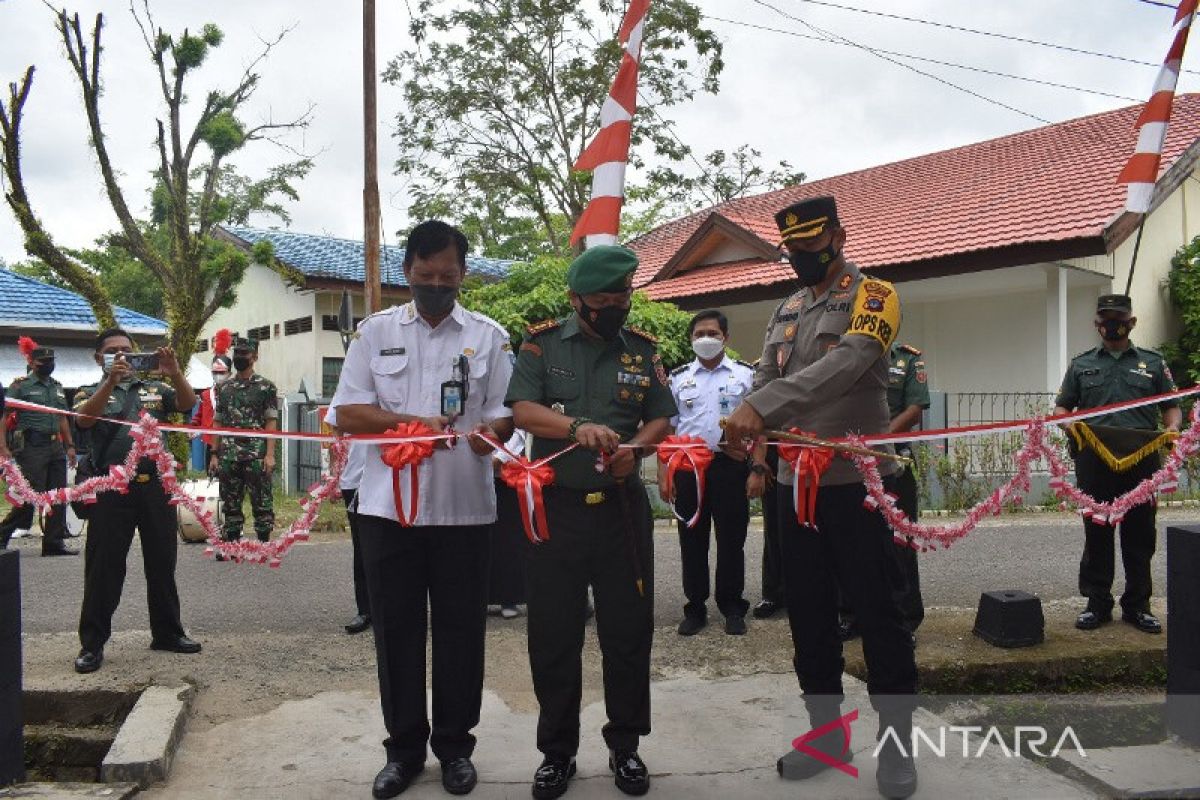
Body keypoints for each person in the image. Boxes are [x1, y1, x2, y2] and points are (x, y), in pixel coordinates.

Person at [724, 196, 918, 799]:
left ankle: (895, 749)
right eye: (792, 249)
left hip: (853, 488)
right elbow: (765, 377)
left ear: (836, 235)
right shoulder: (786, 308)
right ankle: (826, 736)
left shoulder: (875, 296)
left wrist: (762, 408)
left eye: (810, 245)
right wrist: (753, 441)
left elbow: (848, 365)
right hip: (792, 489)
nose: (800, 257)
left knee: (878, 616)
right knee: (807, 618)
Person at [328, 220, 514, 799]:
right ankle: (403, 752)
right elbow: (347, 414)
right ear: (407, 271)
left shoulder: (489, 337)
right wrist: (406, 425)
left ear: (463, 275)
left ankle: (456, 749)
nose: (437, 286)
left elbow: (508, 412)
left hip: (464, 509)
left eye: (449, 277)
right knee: (397, 633)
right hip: (389, 511)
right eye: (427, 275)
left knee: (461, 634)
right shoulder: (374, 333)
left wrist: (492, 434)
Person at [506, 244, 675, 800]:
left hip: (623, 513)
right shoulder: (542, 343)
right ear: (577, 299)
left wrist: (636, 450)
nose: (617, 305)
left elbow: (660, 418)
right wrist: (576, 424)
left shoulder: (641, 350)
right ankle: (557, 754)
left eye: (623, 294)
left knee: (628, 633)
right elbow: (522, 410)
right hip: (555, 513)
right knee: (554, 636)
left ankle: (625, 747)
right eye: (605, 297)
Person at [71, 328, 201, 674]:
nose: (121, 356)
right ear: (99, 358)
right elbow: (83, 419)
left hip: (155, 486)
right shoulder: (90, 390)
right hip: (112, 488)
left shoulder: (155, 389)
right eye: (112, 351)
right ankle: (92, 644)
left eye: (126, 350)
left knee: (162, 562)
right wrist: (110, 383)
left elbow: (188, 404)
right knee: (104, 568)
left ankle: (167, 633)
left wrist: (174, 372)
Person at [1053, 294, 1181, 635]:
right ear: (1097, 323)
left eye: (1118, 318)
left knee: (1140, 533)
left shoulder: (1153, 363)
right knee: (1097, 532)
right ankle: (1097, 604)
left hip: (1142, 460)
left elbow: (1171, 406)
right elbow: (1062, 408)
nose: (1112, 324)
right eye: (1106, 318)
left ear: (1132, 322)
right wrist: (1070, 426)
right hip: (1094, 460)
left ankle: (1138, 606)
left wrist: (1172, 428)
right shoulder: (1081, 365)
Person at [660, 309, 754, 636]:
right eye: (699, 334)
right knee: (692, 538)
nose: (706, 339)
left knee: (732, 538)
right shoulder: (678, 378)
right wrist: (664, 474)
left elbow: (761, 426)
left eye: (712, 333)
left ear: (726, 338)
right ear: (691, 339)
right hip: (688, 469)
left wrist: (754, 461)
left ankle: (732, 606)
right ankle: (695, 608)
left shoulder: (746, 376)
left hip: (730, 466)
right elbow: (668, 430)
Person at [839, 342, 931, 641]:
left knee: (898, 542)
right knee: (851, 542)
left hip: (893, 462)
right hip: (847, 465)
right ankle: (852, 616)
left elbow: (914, 410)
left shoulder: (906, 361)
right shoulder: (839, 356)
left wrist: (878, 442)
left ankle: (904, 620)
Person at [0, 340, 77, 555]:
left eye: (51, 361)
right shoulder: (21, 386)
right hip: (32, 446)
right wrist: (2, 446)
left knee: (58, 495)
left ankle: (53, 543)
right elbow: (4, 416)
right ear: (32, 363)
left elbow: (61, 418)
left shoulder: (58, 387)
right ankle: (3, 533)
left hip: (55, 446)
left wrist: (69, 445)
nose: (48, 364)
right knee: (29, 494)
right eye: (43, 361)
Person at [209, 337, 278, 545]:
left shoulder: (266, 387)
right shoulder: (224, 388)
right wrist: (214, 454)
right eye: (236, 353)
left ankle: (264, 543)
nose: (239, 357)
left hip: (256, 454)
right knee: (230, 503)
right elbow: (217, 423)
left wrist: (270, 454)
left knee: (262, 502)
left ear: (254, 357)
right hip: (229, 454)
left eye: (243, 354)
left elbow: (271, 421)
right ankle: (232, 543)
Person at [489, 429, 528, 619]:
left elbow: (520, 430)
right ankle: (479, 597)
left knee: (508, 535)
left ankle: (508, 597)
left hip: (508, 472)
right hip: (469, 469)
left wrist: (500, 457)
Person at [340, 440, 371, 634]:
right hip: (355, 478)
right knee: (362, 547)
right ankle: (365, 610)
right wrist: (336, 475)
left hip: (398, 473)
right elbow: (337, 429)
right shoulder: (346, 407)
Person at [750, 445, 784, 619]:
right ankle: (773, 593)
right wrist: (759, 462)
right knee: (774, 526)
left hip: (813, 447)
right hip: (774, 451)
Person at [192, 344, 232, 463]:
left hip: (230, 444)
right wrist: (193, 428)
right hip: (210, 441)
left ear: (229, 373)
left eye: (222, 372)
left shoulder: (235, 393)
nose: (218, 376)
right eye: (215, 372)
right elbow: (199, 415)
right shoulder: (206, 395)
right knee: (212, 477)